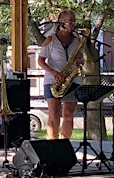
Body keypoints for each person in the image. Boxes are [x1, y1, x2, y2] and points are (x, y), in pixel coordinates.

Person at [37, 10, 82, 139]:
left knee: (68, 114)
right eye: (70, 20)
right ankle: (53, 144)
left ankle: (66, 144)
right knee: (54, 114)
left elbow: (80, 61)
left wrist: (80, 60)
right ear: (61, 21)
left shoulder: (77, 40)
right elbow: (40, 61)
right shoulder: (51, 39)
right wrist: (53, 72)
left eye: (74, 20)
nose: (73, 23)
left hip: (72, 80)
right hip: (53, 80)